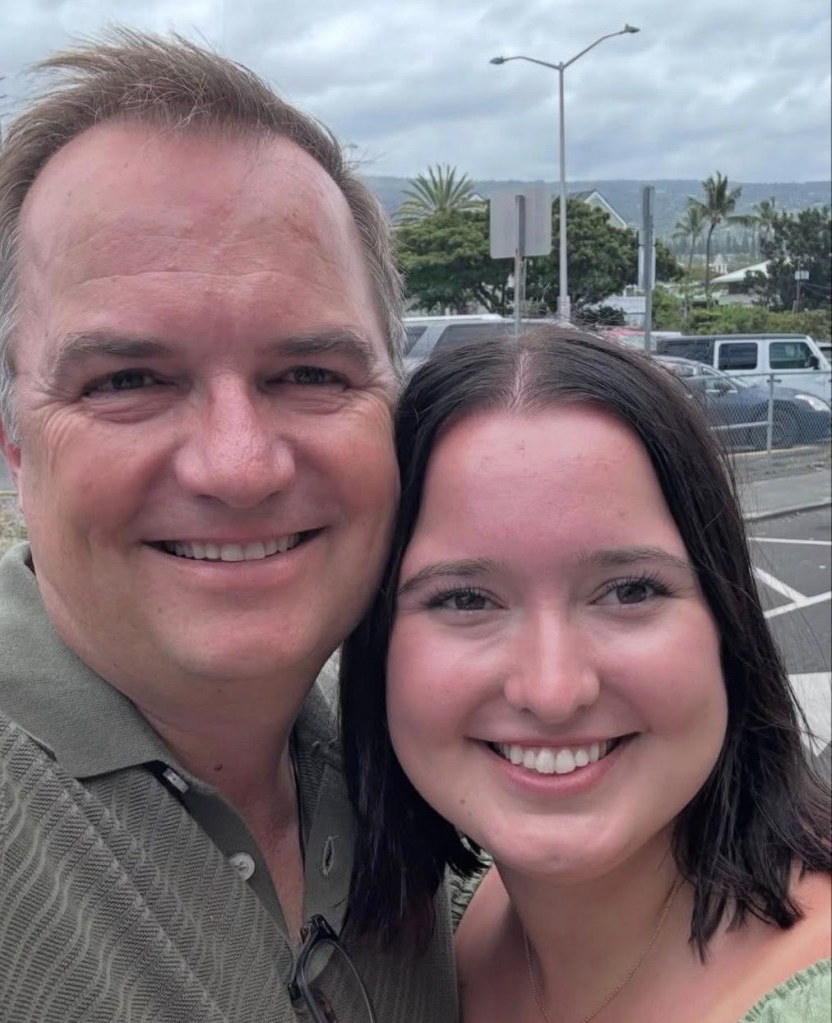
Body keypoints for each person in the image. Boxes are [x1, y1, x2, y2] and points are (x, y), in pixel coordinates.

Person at [0, 29, 458, 1023]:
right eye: (126, 381)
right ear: (11, 437)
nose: (238, 466)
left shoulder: (421, 766)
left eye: (309, 375)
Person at [341, 328, 831, 1021]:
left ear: (727, 624)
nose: (551, 690)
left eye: (628, 590)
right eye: (464, 598)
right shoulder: (426, 932)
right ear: (376, 643)